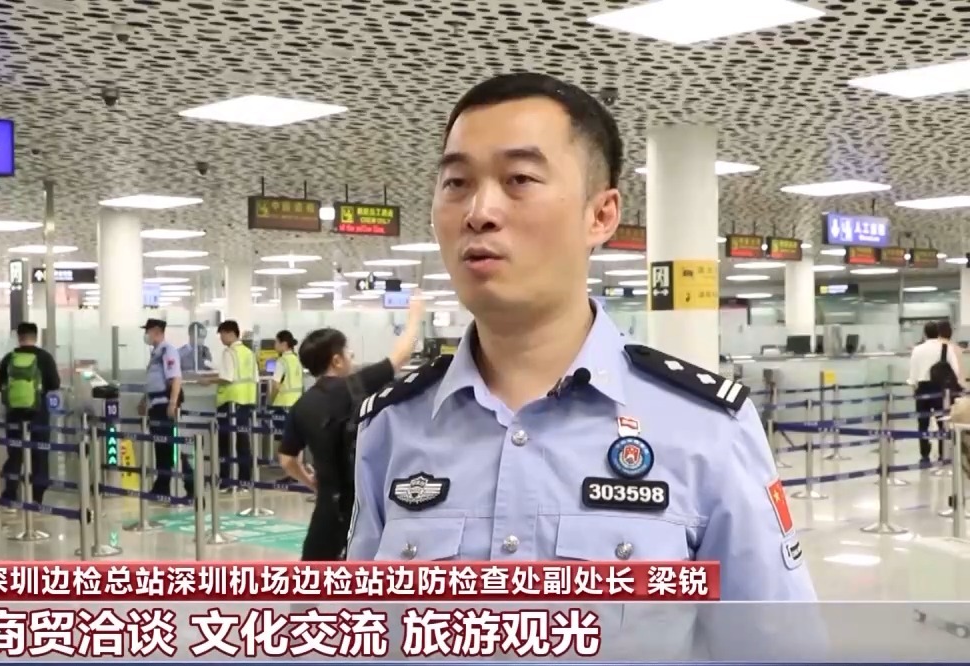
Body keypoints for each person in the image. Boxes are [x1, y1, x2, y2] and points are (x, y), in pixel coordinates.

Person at [344, 73, 822, 658]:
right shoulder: (393, 427)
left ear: (601, 215)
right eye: (456, 182)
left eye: (519, 179)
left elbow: (779, 650)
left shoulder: (706, 429)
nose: (479, 211)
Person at [278, 296, 424, 561]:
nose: (352, 357)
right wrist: (415, 315)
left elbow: (287, 460)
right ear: (337, 360)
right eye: (348, 352)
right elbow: (403, 354)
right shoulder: (357, 385)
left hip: (327, 508)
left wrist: (310, 480)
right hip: (367, 505)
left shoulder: (301, 406)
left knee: (312, 576)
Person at [0, 322, 61, 511]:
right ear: (35, 337)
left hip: (14, 413)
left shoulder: (9, 358)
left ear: (19, 337)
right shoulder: (44, 357)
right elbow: (55, 383)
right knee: (40, 453)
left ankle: (10, 494)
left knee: (15, 453)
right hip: (38, 413)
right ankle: (37, 497)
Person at [139, 318, 193, 500]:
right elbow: (153, 382)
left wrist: (172, 403)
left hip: (165, 405)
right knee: (161, 447)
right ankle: (162, 486)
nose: (146, 335)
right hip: (155, 405)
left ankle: (190, 485)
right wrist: (144, 401)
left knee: (171, 447)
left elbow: (175, 378)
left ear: (156, 331)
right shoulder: (156, 353)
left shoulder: (167, 350)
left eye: (147, 331)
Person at [202, 320, 258, 491]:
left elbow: (227, 377)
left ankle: (226, 481)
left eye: (221, 335)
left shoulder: (229, 352)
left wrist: (208, 380)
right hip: (247, 401)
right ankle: (244, 481)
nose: (221, 339)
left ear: (230, 333)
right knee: (243, 442)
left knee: (225, 442)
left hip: (230, 402)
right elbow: (255, 378)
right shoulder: (249, 353)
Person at [910, 320, 963, 463]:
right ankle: (942, 452)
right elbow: (956, 370)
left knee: (922, 423)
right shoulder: (946, 348)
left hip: (922, 388)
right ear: (938, 333)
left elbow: (913, 375)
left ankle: (924, 454)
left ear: (925, 333)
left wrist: (914, 387)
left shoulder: (917, 349)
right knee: (942, 422)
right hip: (941, 389)